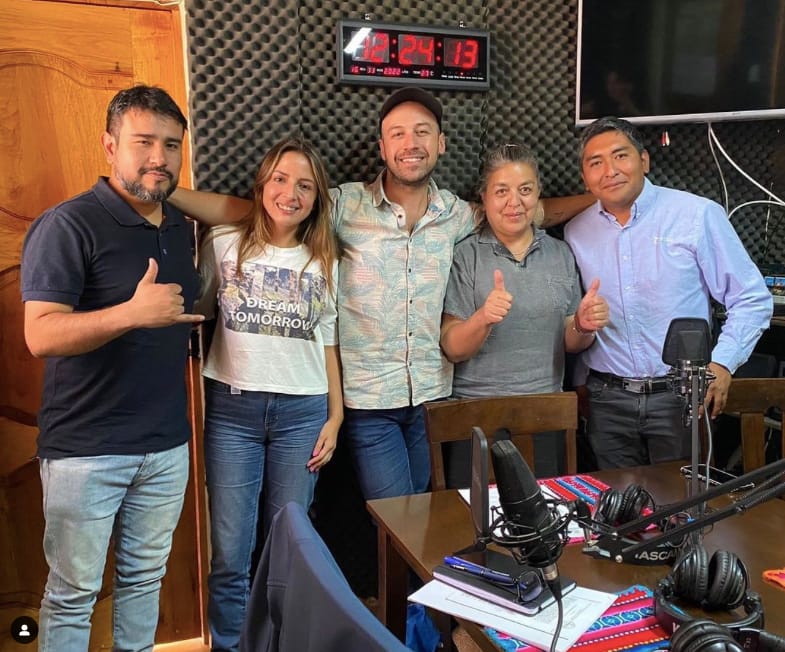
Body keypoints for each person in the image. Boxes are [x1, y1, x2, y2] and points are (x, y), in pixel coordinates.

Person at [169, 87, 593, 500]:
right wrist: (168, 192)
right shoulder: (343, 205)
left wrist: (599, 197)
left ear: (441, 143)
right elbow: (253, 212)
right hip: (369, 402)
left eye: (423, 132)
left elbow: (528, 211)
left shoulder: (457, 213)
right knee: (400, 514)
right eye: (398, 133)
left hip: (432, 397)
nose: (411, 143)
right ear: (383, 147)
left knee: (423, 510)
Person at [21, 85, 215, 650]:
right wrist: (131, 313)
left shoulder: (177, 223)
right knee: (72, 593)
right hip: (85, 452)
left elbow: (250, 211)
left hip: (166, 448)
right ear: (110, 146)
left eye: (172, 145)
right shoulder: (68, 224)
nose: (159, 157)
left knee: (144, 580)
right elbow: (40, 334)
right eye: (143, 142)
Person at [197, 136, 342, 652]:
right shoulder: (222, 243)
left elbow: (329, 342)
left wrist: (336, 417)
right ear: (261, 185)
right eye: (280, 179)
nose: (290, 193)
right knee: (230, 553)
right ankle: (231, 645)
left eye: (305, 185)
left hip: (303, 414)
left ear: (317, 198)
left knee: (289, 550)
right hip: (232, 412)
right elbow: (199, 319)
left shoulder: (326, 257)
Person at [563, 116, 773, 469]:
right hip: (606, 401)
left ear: (644, 160)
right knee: (616, 499)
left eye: (620, 156)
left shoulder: (697, 215)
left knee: (683, 497)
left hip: (682, 396)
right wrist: (581, 382)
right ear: (585, 176)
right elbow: (583, 312)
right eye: (595, 162)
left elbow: (751, 298)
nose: (610, 170)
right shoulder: (576, 232)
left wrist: (723, 362)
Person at [439, 143, 608, 482]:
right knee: (472, 513)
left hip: (545, 413)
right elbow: (452, 347)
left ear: (538, 194)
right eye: (501, 191)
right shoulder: (465, 255)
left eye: (525, 190)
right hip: (476, 417)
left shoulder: (560, 253)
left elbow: (571, 341)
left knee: (547, 510)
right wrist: (483, 318)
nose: (514, 202)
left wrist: (583, 325)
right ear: (484, 198)